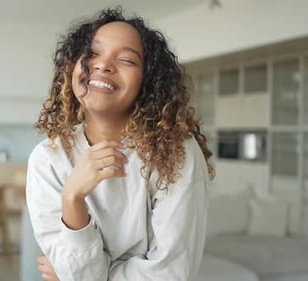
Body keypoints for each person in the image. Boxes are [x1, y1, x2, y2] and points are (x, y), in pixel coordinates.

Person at [26, 7, 214, 281]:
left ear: (147, 81)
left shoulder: (175, 152)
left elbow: (172, 272)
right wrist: (72, 198)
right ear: (72, 67)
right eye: (92, 53)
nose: (103, 65)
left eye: (126, 59)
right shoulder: (47, 159)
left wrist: (76, 273)